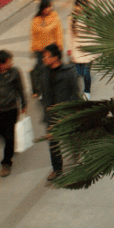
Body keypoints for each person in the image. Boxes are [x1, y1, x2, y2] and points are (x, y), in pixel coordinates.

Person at [40, 43, 80, 184]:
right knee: (53, 142)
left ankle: (76, 149)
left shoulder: (69, 72)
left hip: (65, 112)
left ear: (55, 58)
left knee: (70, 135)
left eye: (46, 56)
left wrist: (72, 112)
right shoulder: (44, 71)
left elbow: (75, 94)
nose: (44, 59)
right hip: (51, 113)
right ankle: (57, 168)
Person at [66, 0, 95, 97]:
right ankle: (77, 91)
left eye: (82, 6)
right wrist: (69, 48)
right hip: (77, 48)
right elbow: (70, 34)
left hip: (88, 49)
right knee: (78, 72)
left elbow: (95, 34)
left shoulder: (91, 17)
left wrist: (96, 49)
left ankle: (87, 91)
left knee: (86, 73)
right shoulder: (72, 18)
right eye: (78, 6)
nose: (80, 8)